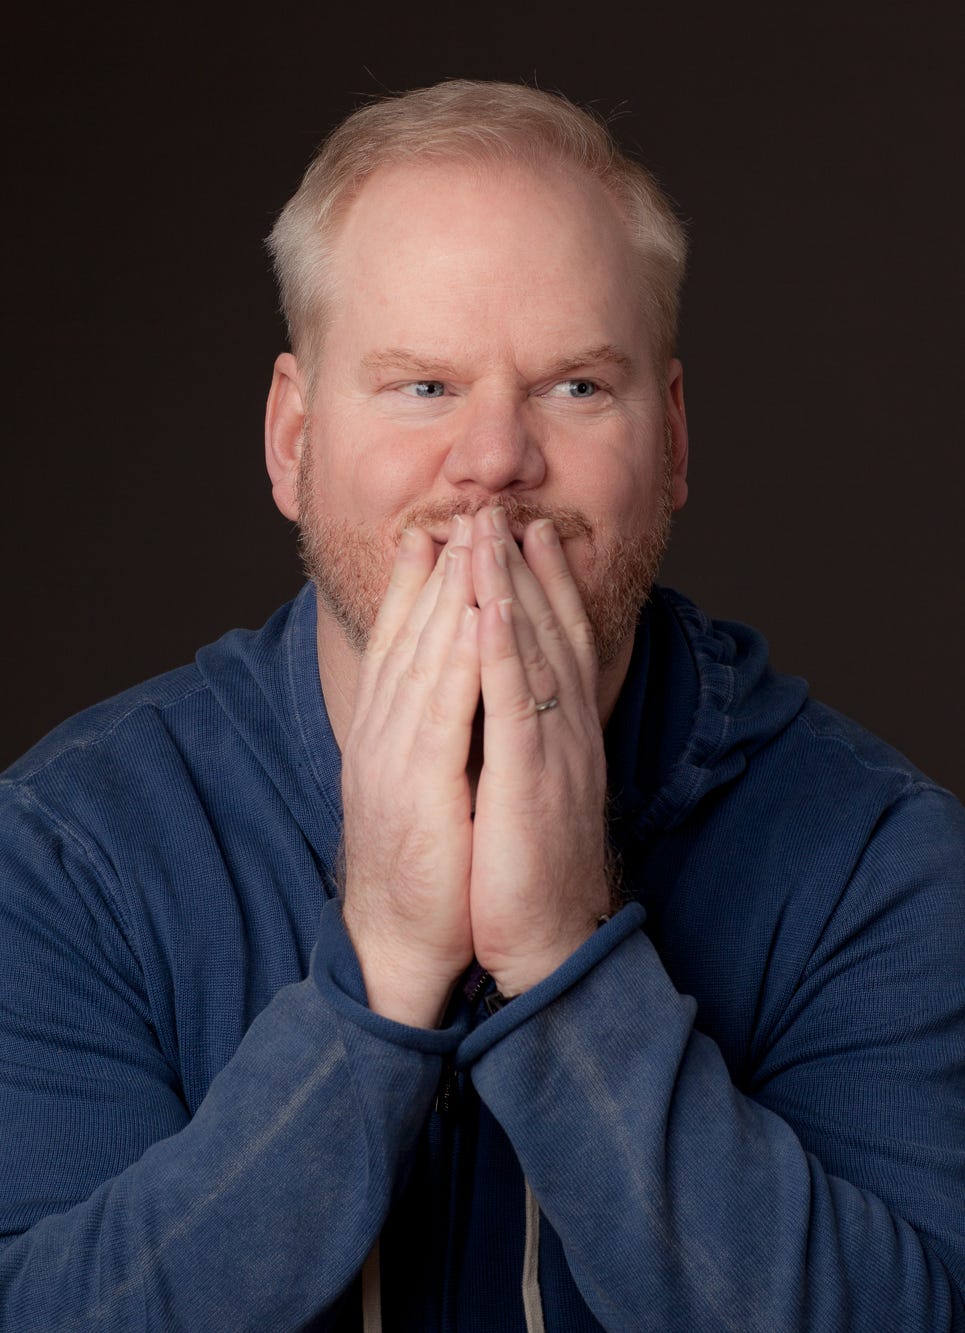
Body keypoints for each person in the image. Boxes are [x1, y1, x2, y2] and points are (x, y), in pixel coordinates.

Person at [0, 79, 962, 1332]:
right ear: (293, 439)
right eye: (421, 386)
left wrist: (566, 962)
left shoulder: (877, 862)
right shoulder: (66, 852)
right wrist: (382, 970)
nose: (495, 458)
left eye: (573, 386)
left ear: (668, 439)